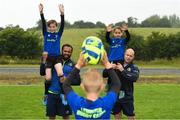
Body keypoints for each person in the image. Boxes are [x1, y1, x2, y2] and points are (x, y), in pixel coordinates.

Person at [63, 52, 121, 119]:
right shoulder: (106, 103)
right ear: (102, 86)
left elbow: (66, 85)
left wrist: (78, 65)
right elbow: (117, 84)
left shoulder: (77, 103)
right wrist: (107, 64)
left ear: (82, 86)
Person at [40, 44, 81, 120]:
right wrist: (43, 61)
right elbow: (42, 72)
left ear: (71, 53)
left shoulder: (73, 65)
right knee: (51, 117)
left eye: (69, 52)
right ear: (62, 51)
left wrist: (67, 80)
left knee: (66, 117)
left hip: (65, 95)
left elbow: (78, 81)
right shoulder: (53, 61)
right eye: (65, 51)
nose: (67, 53)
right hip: (51, 94)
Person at [103, 48, 140, 120]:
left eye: (130, 56)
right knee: (117, 115)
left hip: (127, 97)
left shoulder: (134, 67)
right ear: (124, 54)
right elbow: (104, 75)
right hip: (115, 95)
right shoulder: (116, 63)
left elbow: (134, 78)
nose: (128, 57)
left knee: (131, 116)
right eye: (127, 55)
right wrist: (109, 68)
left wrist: (122, 70)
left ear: (133, 57)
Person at [39, 3, 65, 86]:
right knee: (48, 78)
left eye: (54, 26)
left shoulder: (58, 34)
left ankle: (63, 92)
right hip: (48, 58)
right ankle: (46, 93)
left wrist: (62, 14)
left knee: (60, 73)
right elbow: (43, 23)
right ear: (48, 27)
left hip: (57, 57)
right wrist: (41, 13)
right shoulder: (46, 34)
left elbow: (63, 25)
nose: (52, 28)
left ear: (56, 27)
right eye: (50, 26)